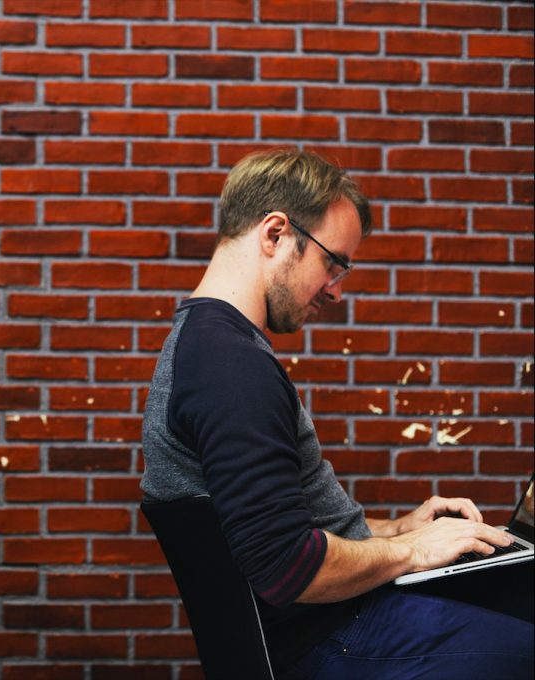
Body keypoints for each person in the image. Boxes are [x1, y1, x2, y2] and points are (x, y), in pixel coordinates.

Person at [140, 148, 533, 679]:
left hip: (331, 623)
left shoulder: (209, 347)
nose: (337, 289)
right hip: (327, 638)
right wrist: (415, 551)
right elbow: (289, 568)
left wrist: (394, 531)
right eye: (333, 262)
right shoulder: (229, 368)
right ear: (276, 234)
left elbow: (276, 527)